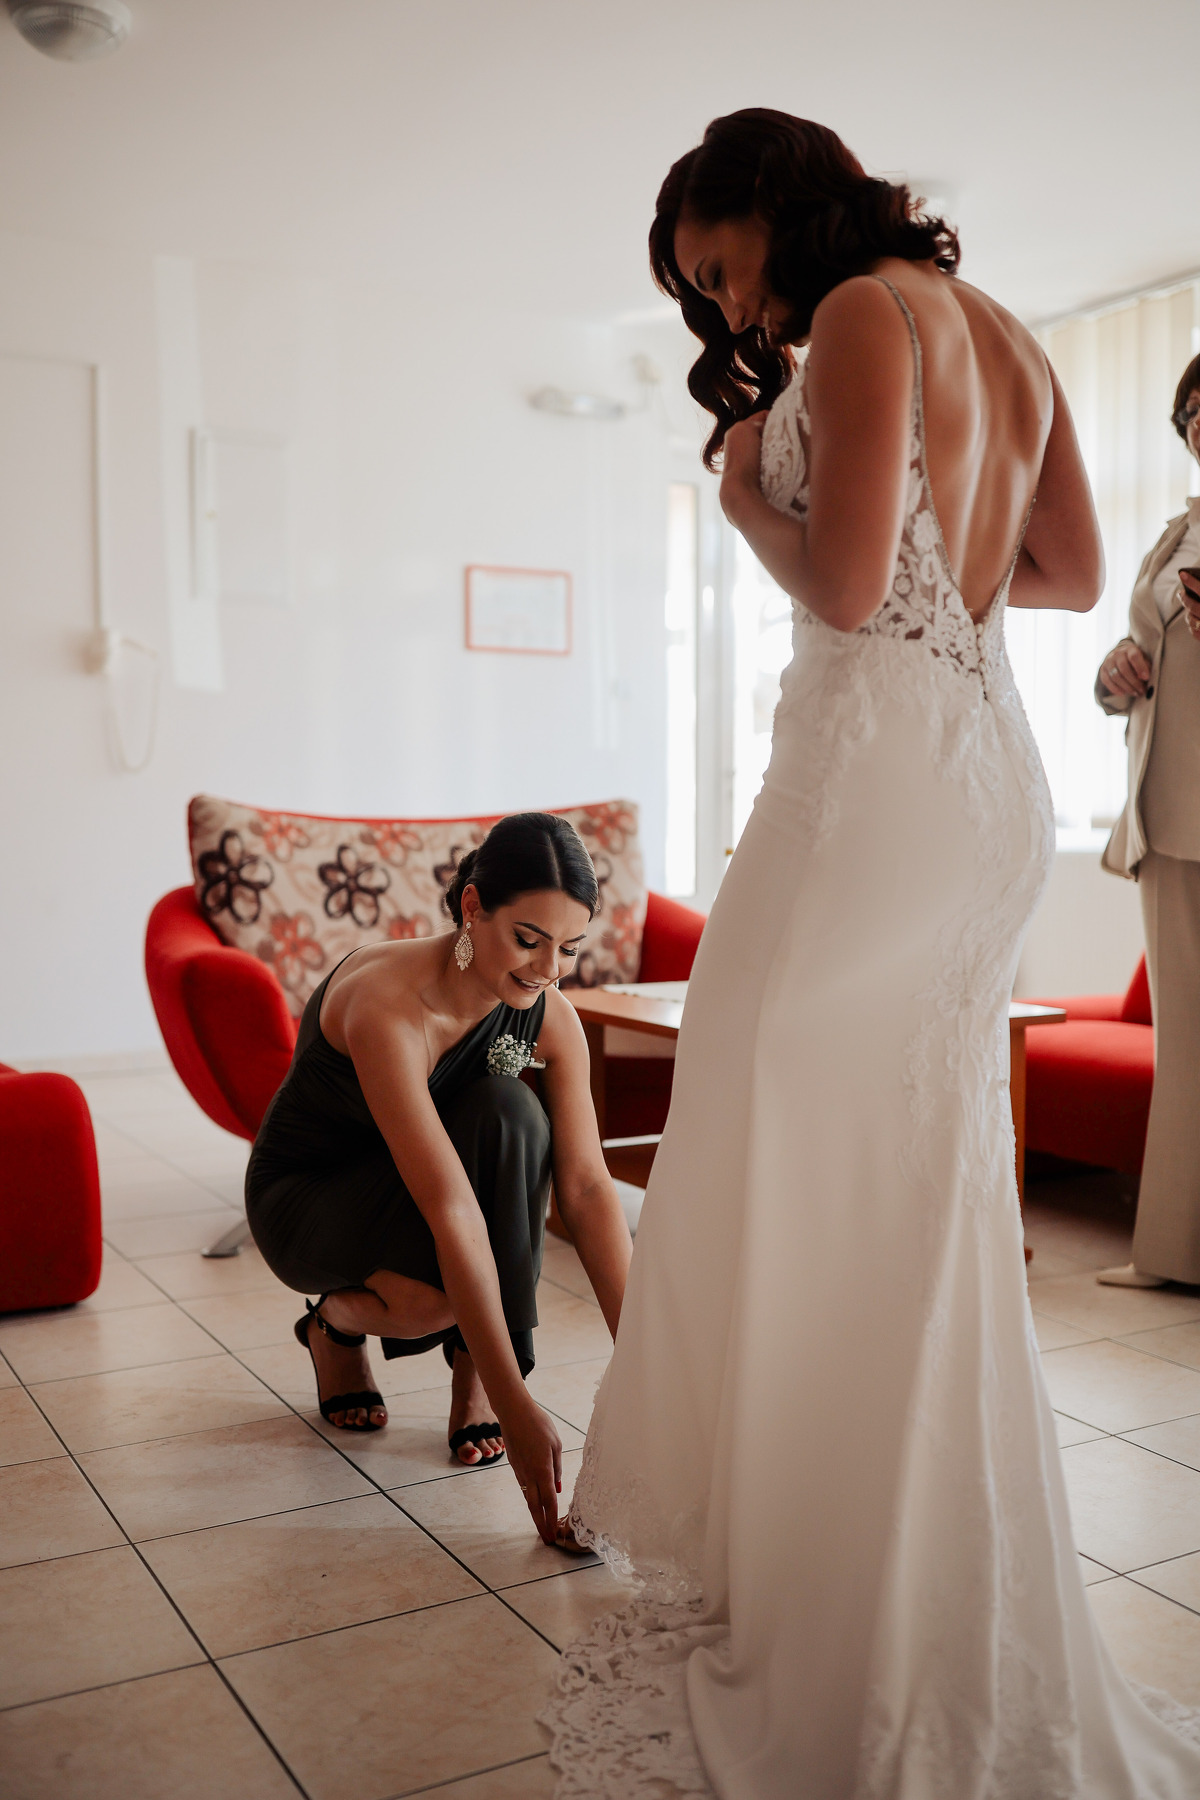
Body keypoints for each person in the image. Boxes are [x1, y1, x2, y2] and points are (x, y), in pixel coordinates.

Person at [540, 111, 1200, 1794]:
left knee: (778, 1136)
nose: (729, 311)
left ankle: (832, 1569)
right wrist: (918, 562)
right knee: (900, 1170)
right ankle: (876, 1553)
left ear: (775, 200)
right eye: (704, 294)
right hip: (981, 780)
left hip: (871, 781)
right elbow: (1061, 573)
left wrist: (734, 496)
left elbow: (839, 592)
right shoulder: (1011, 337)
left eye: (720, 267)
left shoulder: (857, 311)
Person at [245, 811, 631, 1543]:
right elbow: (451, 1206)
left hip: (419, 1182)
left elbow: (585, 1188)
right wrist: (519, 1403)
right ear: (472, 906)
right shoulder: (387, 1004)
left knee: (514, 1113)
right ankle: (335, 1322)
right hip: (313, 1197)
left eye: (569, 948)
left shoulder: (549, 1015)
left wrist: (644, 1359)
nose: (548, 969)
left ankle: (473, 1378)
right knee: (437, 1302)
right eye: (528, 940)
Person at [1094, 354, 1200, 1290]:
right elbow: (1140, 663)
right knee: (1186, 1044)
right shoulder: (1173, 539)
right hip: (1165, 816)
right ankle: (1170, 1254)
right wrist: (1113, 674)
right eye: (1191, 408)